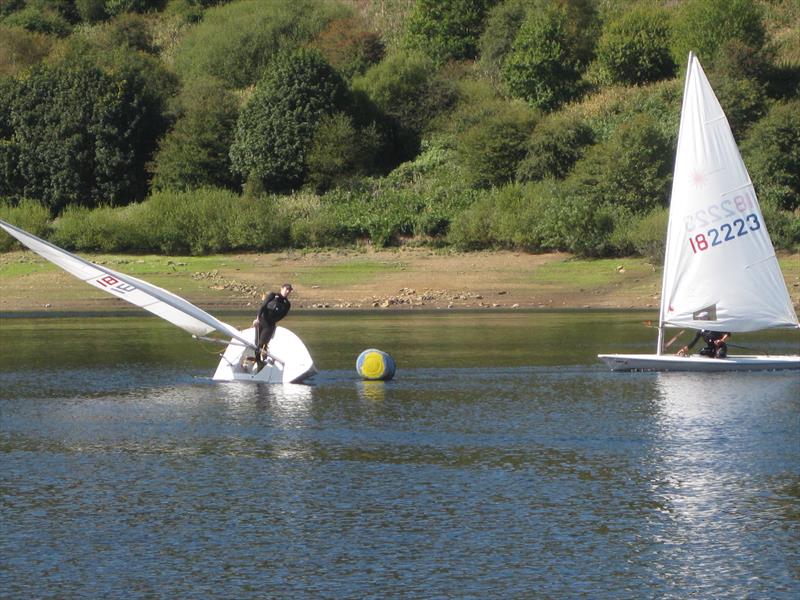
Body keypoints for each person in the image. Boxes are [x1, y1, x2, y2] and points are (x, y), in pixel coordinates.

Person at [253, 283, 292, 369]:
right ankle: (258, 361)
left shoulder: (287, 304)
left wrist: (273, 321)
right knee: (256, 344)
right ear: (281, 288)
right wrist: (257, 318)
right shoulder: (272, 296)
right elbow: (263, 306)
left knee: (261, 343)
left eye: (289, 290)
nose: (287, 291)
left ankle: (260, 362)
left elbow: (282, 315)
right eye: (286, 289)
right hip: (261, 320)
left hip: (269, 325)